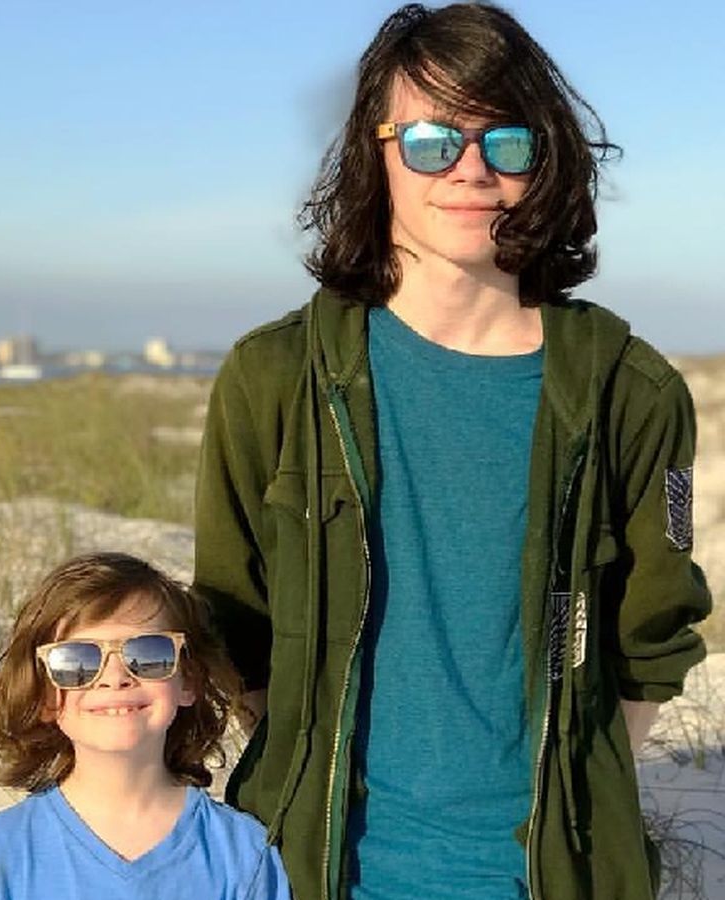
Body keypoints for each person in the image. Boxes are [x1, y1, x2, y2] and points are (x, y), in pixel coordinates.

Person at [192, 4, 711, 900]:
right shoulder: (274, 377)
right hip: (319, 870)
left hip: (550, 875)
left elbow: (652, 638)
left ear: (546, 160)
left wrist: (573, 800)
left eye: (507, 141)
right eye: (432, 140)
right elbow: (233, 622)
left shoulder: (631, 391)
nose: (471, 170)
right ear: (376, 153)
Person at [0, 552, 291, 899]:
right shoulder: (1, 852)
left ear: (188, 680)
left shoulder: (242, 852)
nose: (114, 677)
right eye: (77, 661)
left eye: (148, 654)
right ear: (44, 694)